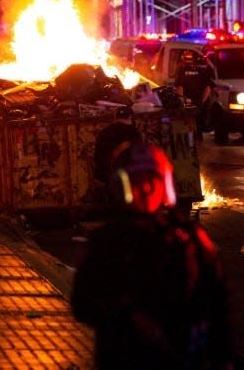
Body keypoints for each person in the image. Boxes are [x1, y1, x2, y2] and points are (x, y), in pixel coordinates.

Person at [71, 141, 234, 369]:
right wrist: (128, 315)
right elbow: (83, 303)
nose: (146, 189)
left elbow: (218, 302)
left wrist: (223, 357)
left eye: (152, 181)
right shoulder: (107, 242)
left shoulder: (188, 237)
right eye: (137, 182)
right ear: (122, 187)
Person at [174, 50, 216, 136]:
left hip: (188, 102)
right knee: (199, 125)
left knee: (189, 125)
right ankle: (197, 141)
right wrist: (202, 102)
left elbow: (179, 87)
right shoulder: (202, 70)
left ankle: (191, 143)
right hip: (199, 102)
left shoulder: (181, 70)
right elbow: (208, 87)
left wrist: (181, 101)